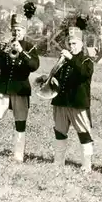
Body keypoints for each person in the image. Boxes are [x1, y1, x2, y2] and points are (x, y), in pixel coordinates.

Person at [37, 26, 94, 171]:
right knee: (59, 131)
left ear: (81, 44)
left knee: (84, 133)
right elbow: (56, 77)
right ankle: (58, 161)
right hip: (61, 101)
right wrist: (49, 80)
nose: (71, 46)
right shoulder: (62, 60)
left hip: (78, 102)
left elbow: (84, 75)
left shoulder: (87, 60)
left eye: (74, 43)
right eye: (69, 43)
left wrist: (71, 58)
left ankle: (86, 166)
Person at [0, 13, 40, 162]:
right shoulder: (4, 45)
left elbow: (34, 66)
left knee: (20, 122)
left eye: (20, 30)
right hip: (2, 87)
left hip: (21, 89)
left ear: (25, 31)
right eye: (14, 29)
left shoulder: (30, 47)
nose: (17, 33)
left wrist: (21, 52)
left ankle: (18, 154)